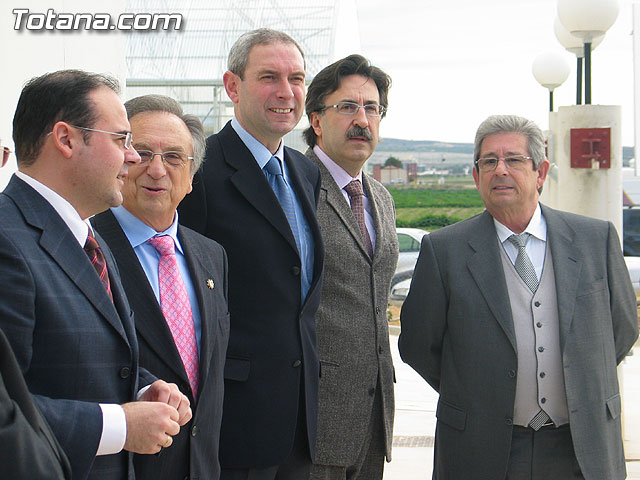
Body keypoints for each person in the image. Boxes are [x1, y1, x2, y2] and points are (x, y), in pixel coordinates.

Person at [399, 114, 639, 480]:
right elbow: (418, 344)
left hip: (582, 448)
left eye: (513, 159)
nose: (501, 170)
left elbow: (621, 329)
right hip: (482, 449)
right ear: (476, 176)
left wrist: (580, 381)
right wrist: (477, 389)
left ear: (540, 172)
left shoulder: (595, 239)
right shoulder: (444, 251)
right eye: (489, 161)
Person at [0, 70, 192, 480]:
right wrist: (119, 426)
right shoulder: (7, 240)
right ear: (66, 139)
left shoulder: (88, 236)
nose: (134, 157)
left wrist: (145, 388)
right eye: (121, 139)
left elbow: (83, 358)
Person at [178, 28, 325, 479]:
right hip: (232, 422)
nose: (286, 92)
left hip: (300, 419)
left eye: (296, 78)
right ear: (232, 86)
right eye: (269, 77)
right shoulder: (199, 171)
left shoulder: (304, 171)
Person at [92, 94, 230, 480]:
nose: (156, 170)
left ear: (190, 178)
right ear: (119, 159)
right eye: (141, 152)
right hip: (121, 465)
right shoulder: (86, 248)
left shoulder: (212, 256)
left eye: (173, 157)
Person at [302, 54, 397, 480]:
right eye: (347, 107)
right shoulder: (293, 187)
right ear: (317, 120)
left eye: (372, 108)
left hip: (375, 413)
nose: (362, 120)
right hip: (314, 418)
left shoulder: (380, 197)